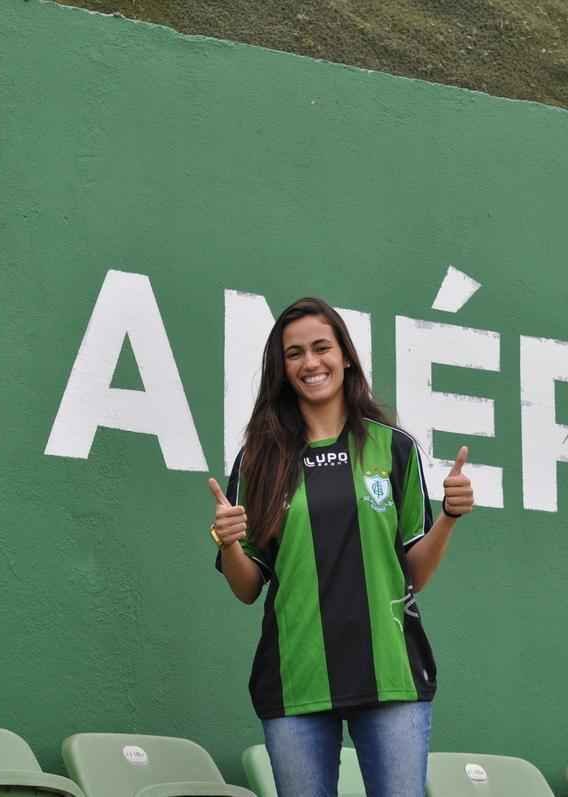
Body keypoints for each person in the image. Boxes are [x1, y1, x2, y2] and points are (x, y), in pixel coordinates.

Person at [209, 296, 474, 797]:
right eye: (294, 354)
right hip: (296, 680)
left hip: (392, 676)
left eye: (321, 348)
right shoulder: (261, 460)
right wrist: (227, 544)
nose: (311, 363)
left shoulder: (394, 449)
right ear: (281, 369)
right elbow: (247, 588)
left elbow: (413, 574)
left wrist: (449, 518)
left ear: (345, 355)